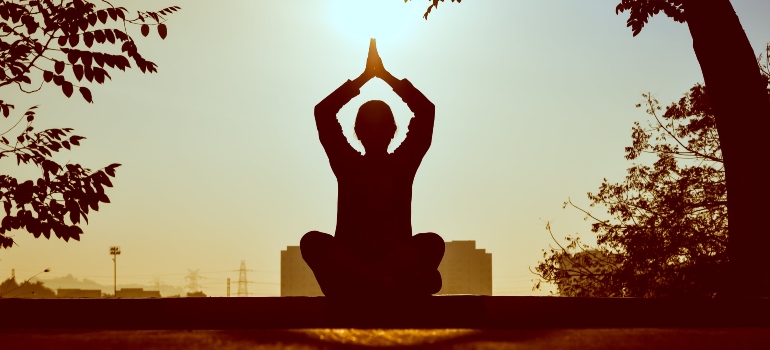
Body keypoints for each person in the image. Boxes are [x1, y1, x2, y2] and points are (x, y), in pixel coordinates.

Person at [301, 39, 444, 298]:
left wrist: (384, 77)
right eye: (370, 127)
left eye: (380, 127)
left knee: (433, 243)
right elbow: (323, 113)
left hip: (375, 269)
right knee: (311, 242)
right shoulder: (348, 164)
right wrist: (367, 78)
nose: (375, 133)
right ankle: (382, 282)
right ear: (358, 132)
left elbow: (426, 111)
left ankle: (371, 282)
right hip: (356, 265)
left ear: (392, 131)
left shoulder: (402, 165)